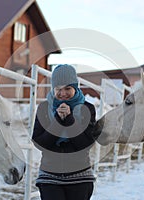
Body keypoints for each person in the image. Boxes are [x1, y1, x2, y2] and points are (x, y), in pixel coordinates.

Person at [32, 64, 99, 200]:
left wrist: (69, 120)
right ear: (53, 88)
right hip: (50, 176)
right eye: (58, 89)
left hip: (79, 176)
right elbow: (40, 143)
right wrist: (58, 121)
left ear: (75, 87)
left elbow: (85, 144)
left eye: (68, 88)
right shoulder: (44, 108)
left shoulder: (88, 109)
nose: (63, 94)